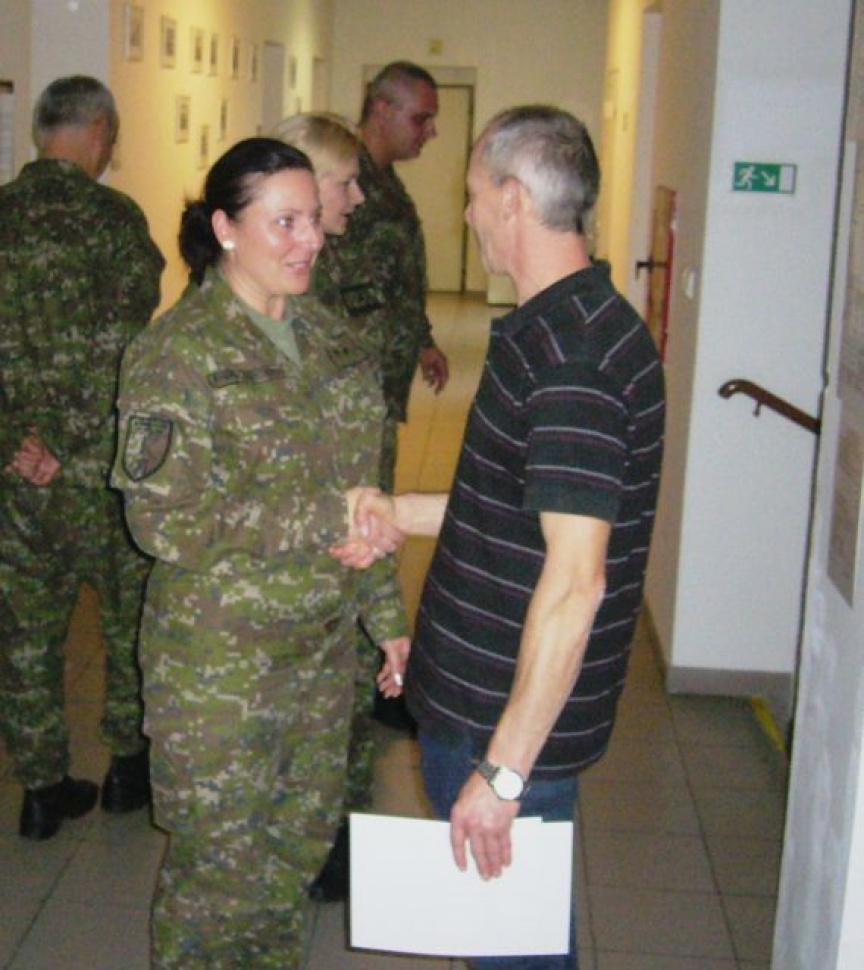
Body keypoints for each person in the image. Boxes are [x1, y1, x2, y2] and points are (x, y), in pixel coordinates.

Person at [343, 106, 666, 969]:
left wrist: (505, 774)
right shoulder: (560, 325)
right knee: (510, 944)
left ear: (515, 198)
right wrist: (403, 512)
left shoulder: (574, 358)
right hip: (479, 694)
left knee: (515, 955)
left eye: (475, 193)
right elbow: (519, 504)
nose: (468, 213)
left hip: (504, 727)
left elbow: (577, 581)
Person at [111, 137, 408, 969]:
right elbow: (163, 521)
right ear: (225, 228)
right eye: (285, 222)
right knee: (217, 880)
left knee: (292, 860)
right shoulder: (178, 354)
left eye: (313, 219)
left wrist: (387, 618)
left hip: (323, 656)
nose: (311, 240)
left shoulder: (333, 340)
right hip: (222, 670)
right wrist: (321, 517)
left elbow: (366, 493)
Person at [0, 75, 164, 841]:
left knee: (27, 630)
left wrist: (19, 447)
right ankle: (128, 767)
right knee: (128, 616)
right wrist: (63, 446)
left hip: (14, 474)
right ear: (99, 131)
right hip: (96, 470)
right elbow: (120, 347)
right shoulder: (114, 220)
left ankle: (40, 789)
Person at [273, 111, 389, 903]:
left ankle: (337, 824)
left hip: (349, 515)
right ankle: (328, 831)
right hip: (312, 533)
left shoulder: (325, 277)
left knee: (345, 684)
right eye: (345, 182)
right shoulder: (293, 290)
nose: (357, 197)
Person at [325, 61, 450, 493]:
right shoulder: (342, 182)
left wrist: (422, 339)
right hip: (350, 381)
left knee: (375, 490)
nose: (431, 131)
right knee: (362, 499)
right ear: (382, 109)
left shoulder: (383, 181)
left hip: (380, 381)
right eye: (421, 119)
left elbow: (395, 277)